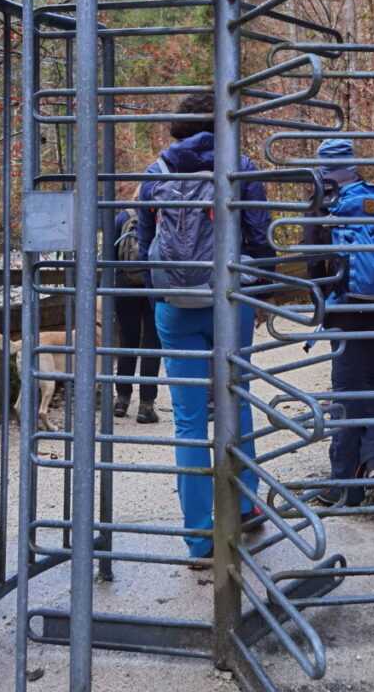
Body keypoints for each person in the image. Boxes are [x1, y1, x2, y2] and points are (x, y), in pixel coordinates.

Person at [137, 92, 274, 565]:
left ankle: (199, 539)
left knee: (190, 423)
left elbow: (142, 243)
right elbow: (260, 237)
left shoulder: (155, 174)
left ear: (176, 127)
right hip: (229, 297)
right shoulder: (241, 166)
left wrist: (159, 296)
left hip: (174, 306)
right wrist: (262, 292)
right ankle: (243, 506)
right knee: (238, 400)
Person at [304, 137, 374, 507]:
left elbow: (311, 266)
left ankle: (344, 487)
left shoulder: (323, 205)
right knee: (369, 383)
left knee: (346, 390)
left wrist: (320, 310)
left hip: (344, 308)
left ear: (322, 167)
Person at [113, 187, 162, 423]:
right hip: (154, 282)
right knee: (152, 344)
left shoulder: (123, 215)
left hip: (125, 285)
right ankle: (146, 405)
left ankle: (121, 400)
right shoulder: (159, 211)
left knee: (127, 341)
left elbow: (110, 253)